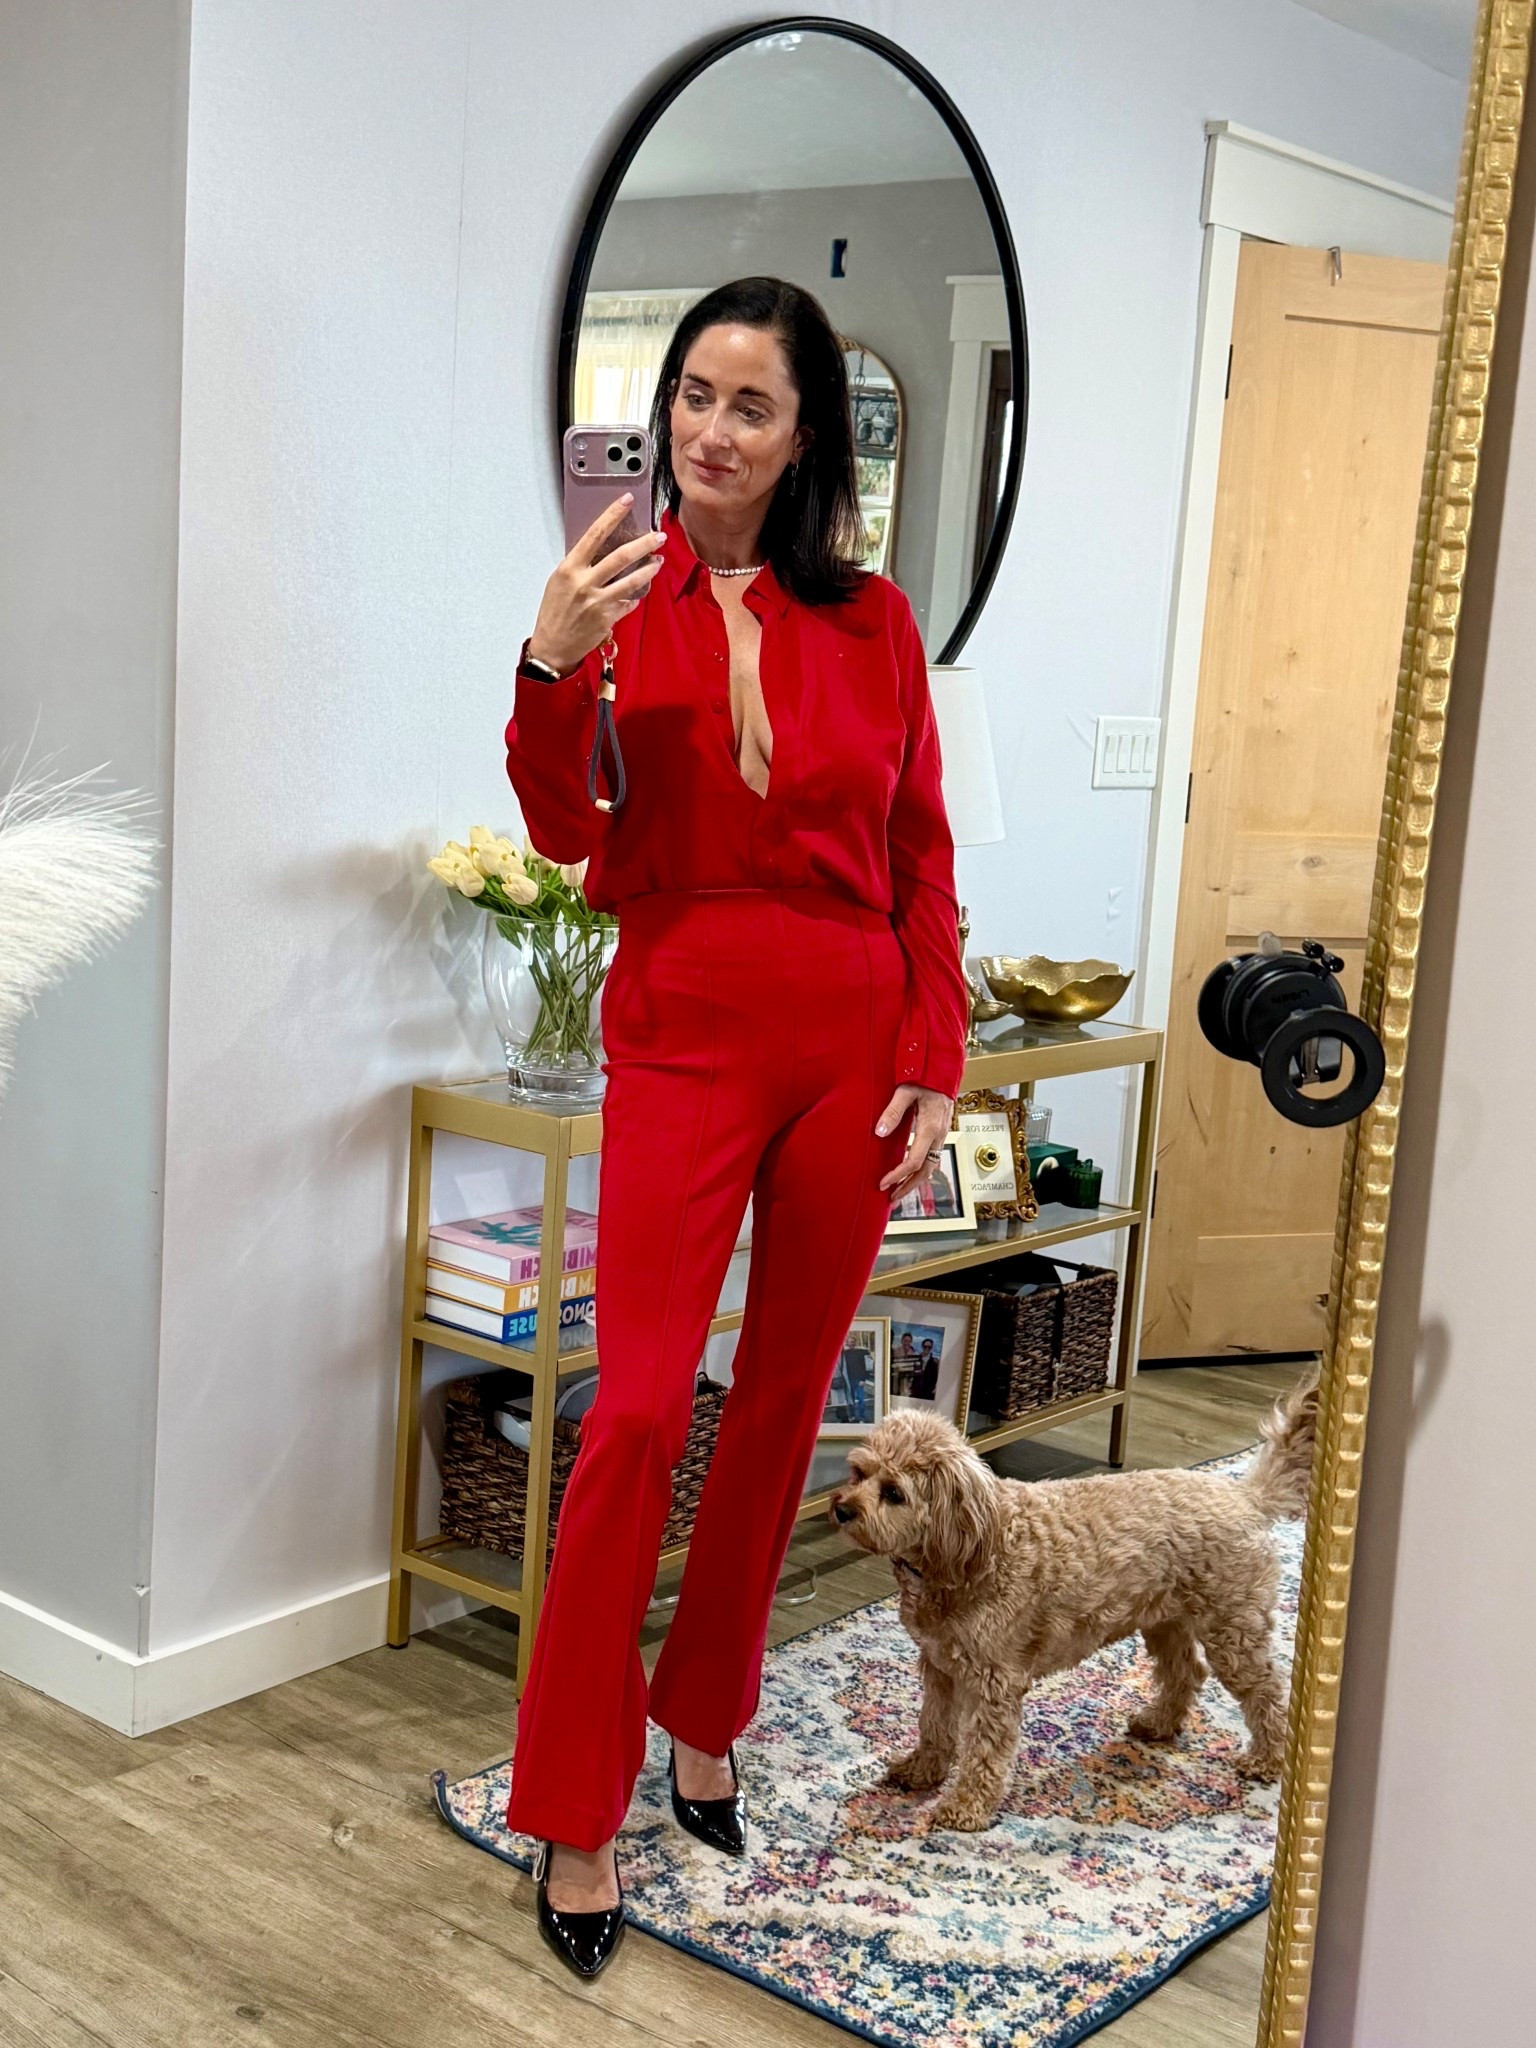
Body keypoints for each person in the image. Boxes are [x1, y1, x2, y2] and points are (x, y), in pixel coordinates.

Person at [502, 275, 968, 1979]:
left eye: (747, 405)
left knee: (781, 1404)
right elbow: (563, 830)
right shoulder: (611, 597)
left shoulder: (877, 622)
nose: (709, 429)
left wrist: (936, 1051)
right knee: (636, 1409)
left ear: (802, 436)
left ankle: (706, 1719)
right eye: (692, 395)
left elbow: (921, 853)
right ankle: (574, 1802)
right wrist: (549, 666)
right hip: (684, 1017)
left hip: (852, 1029)